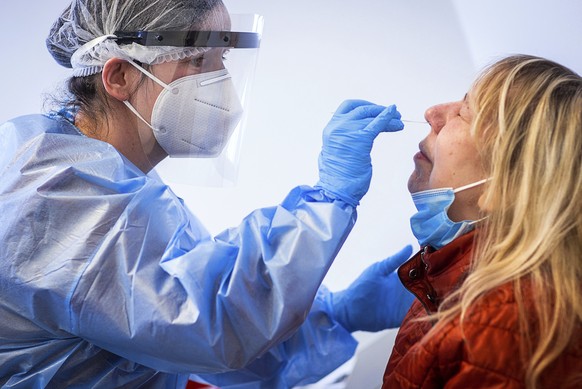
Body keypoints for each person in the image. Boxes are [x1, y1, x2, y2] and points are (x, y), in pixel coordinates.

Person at [0, 1, 416, 388]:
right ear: (120, 77)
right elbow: (209, 324)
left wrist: (337, 314)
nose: (221, 86)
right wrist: (328, 201)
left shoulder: (107, 178)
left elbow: (178, 337)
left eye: (223, 61)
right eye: (197, 60)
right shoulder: (53, 195)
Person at [383, 54, 582, 388]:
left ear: (510, 183)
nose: (432, 114)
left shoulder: (509, 324)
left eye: (464, 111)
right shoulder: (459, 288)